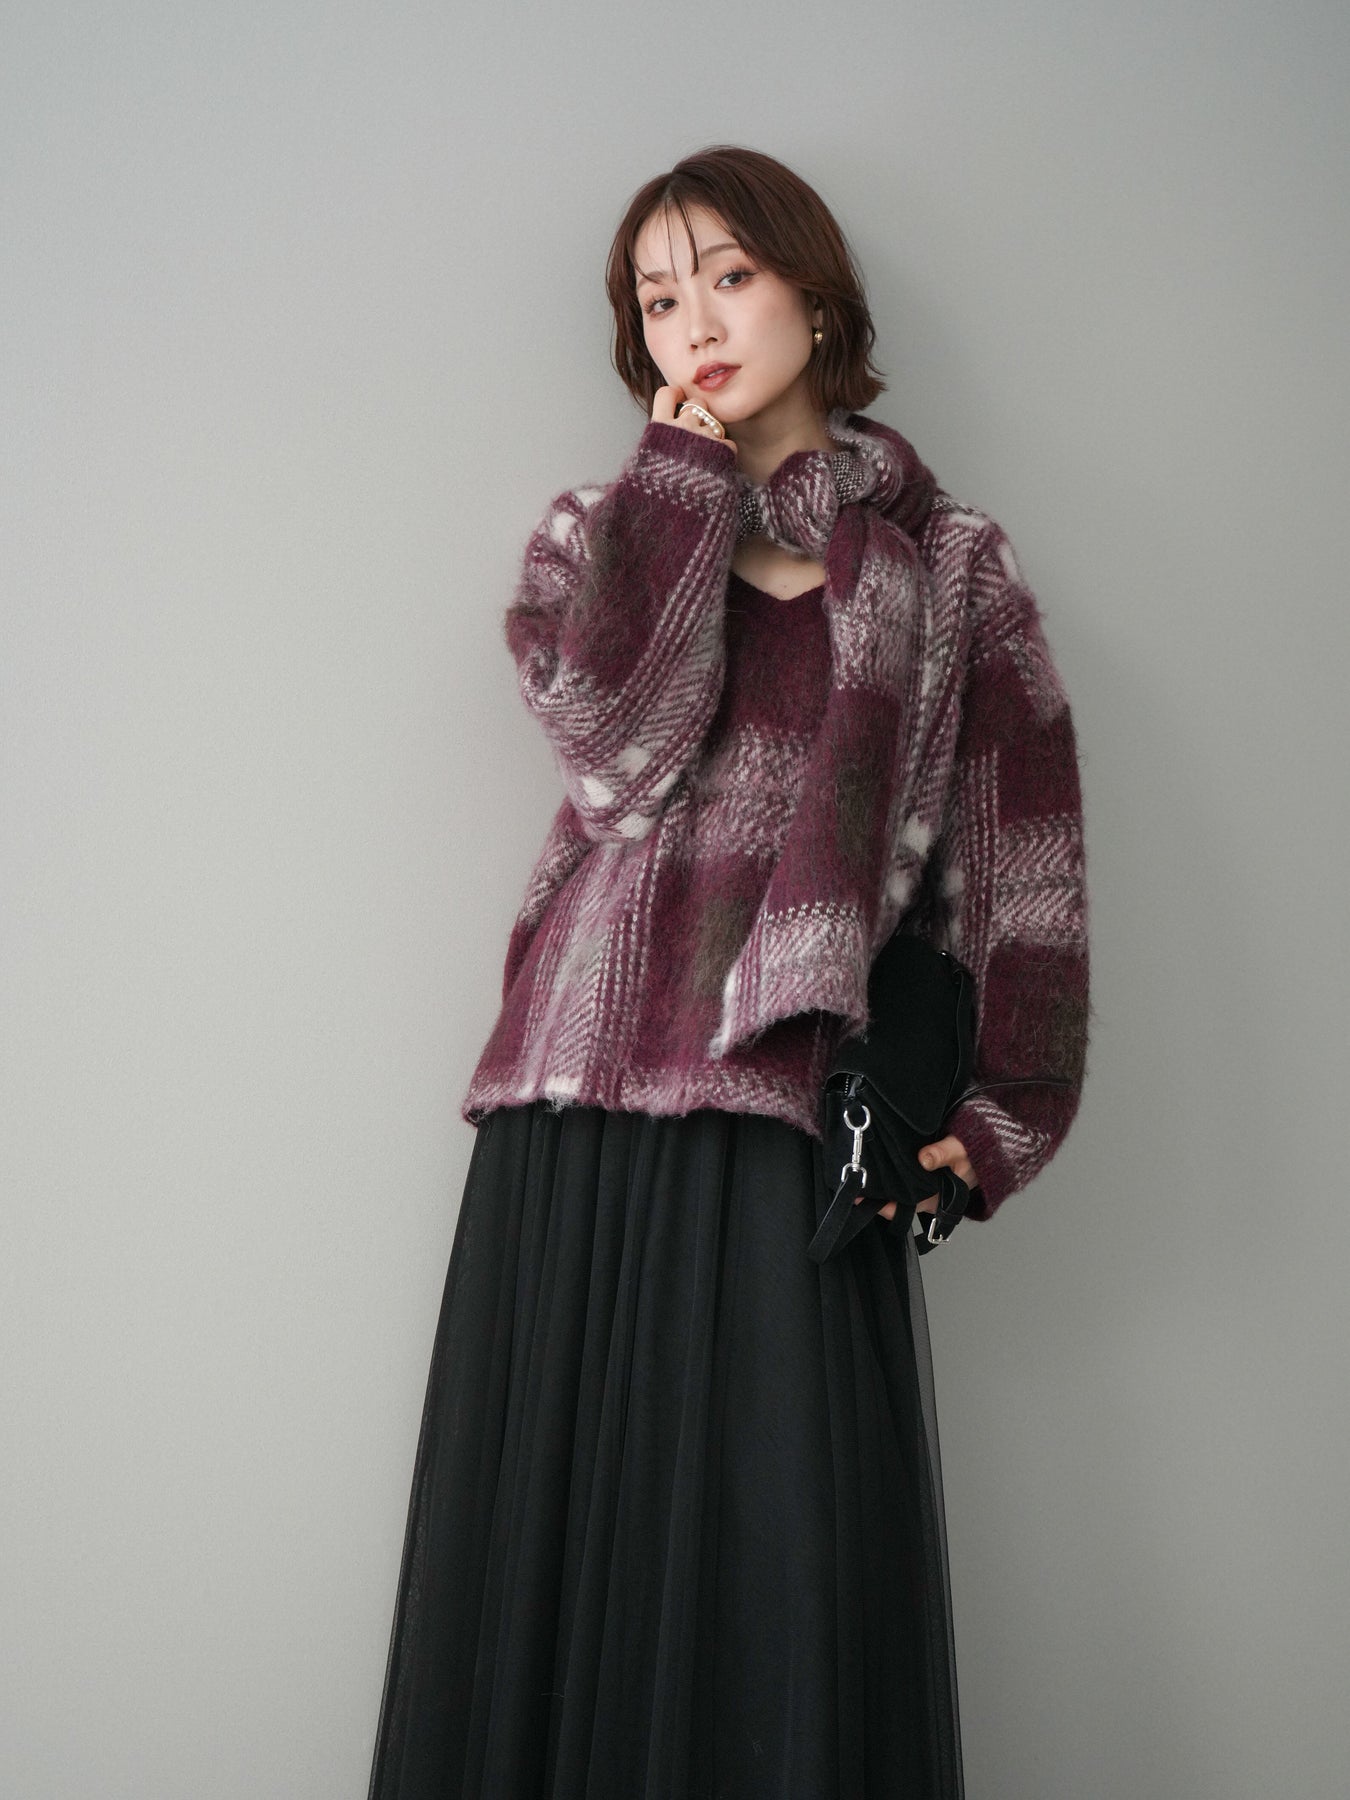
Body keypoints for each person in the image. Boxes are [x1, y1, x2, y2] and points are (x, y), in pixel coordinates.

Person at [367, 143, 1089, 1800]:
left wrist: (997, 1127)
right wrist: (681, 491)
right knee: (548, 1589)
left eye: (727, 276)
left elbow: (1025, 875)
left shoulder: (949, 572)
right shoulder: (597, 535)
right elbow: (616, 765)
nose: (690, 320)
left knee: (778, 1599)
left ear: (814, 297)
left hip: (788, 1116)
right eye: (654, 298)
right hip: (572, 1122)